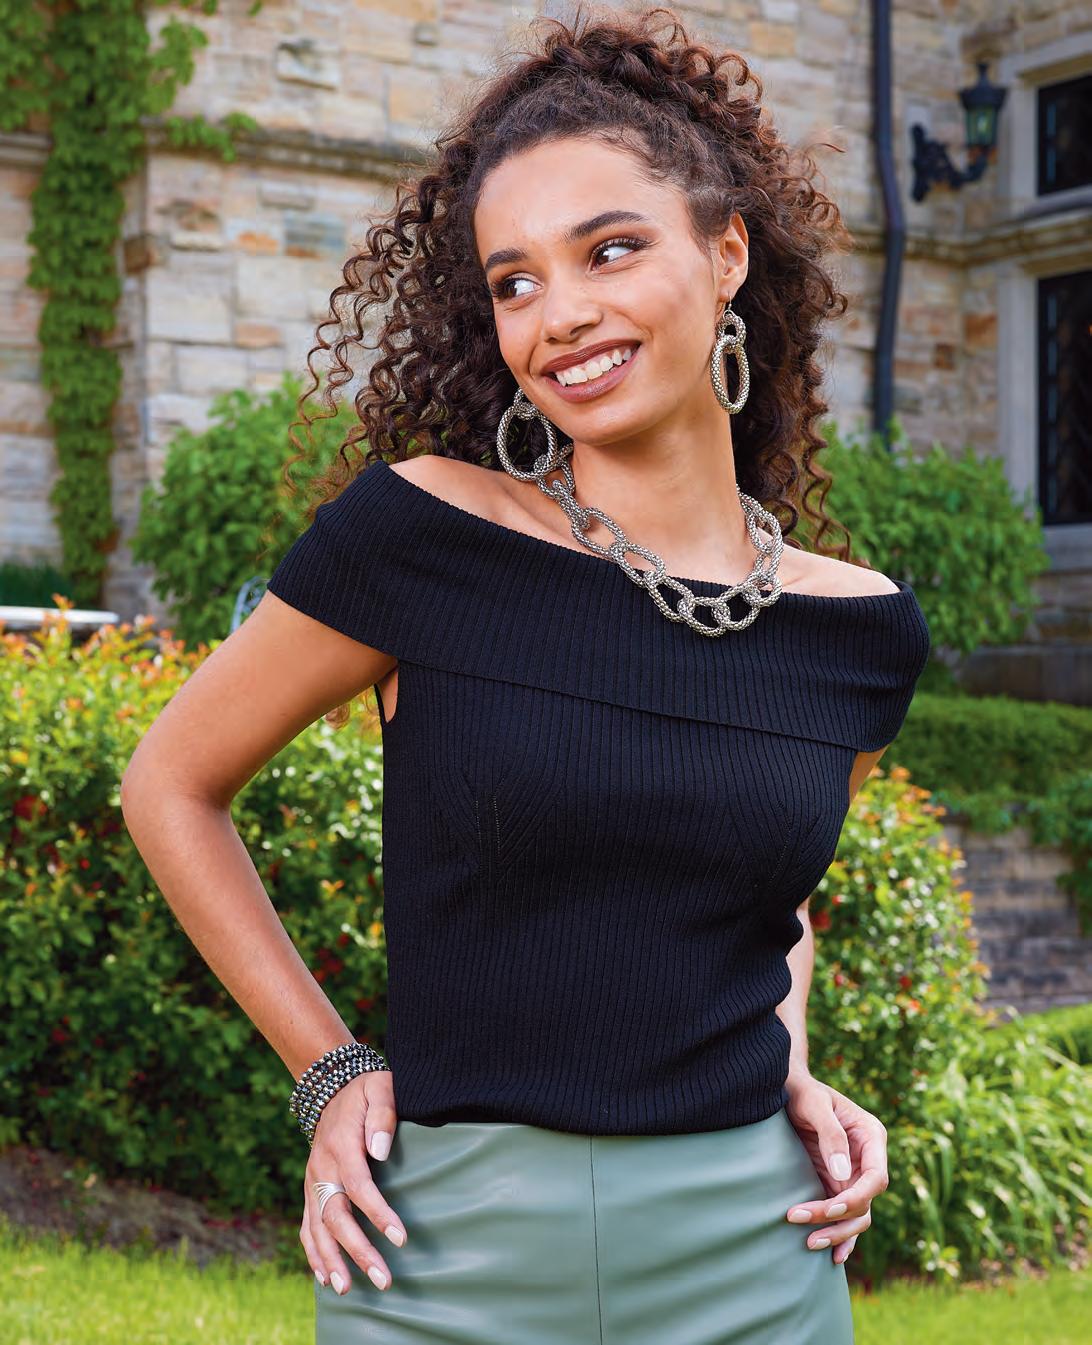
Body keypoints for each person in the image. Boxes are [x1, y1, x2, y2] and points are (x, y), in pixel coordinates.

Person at [122, 7, 931, 1342]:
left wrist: (793, 1064)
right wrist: (325, 1070)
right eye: (515, 281)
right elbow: (171, 783)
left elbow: (769, 904)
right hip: (439, 1258)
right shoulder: (421, 537)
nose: (562, 315)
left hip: (756, 1254)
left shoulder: (860, 632)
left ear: (727, 253)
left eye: (610, 249)